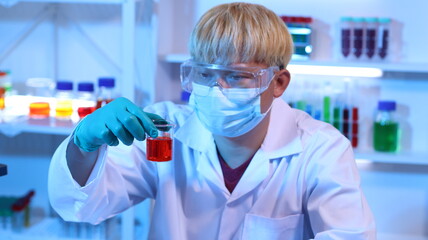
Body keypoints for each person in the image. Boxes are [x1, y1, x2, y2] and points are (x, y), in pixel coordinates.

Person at [48, 2, 376, 239]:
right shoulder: (163, 129)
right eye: (205, 74)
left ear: (278, 83)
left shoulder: (321, 149)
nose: (217, 89)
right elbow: (80, 207)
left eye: (237, 76)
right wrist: (83, 144)